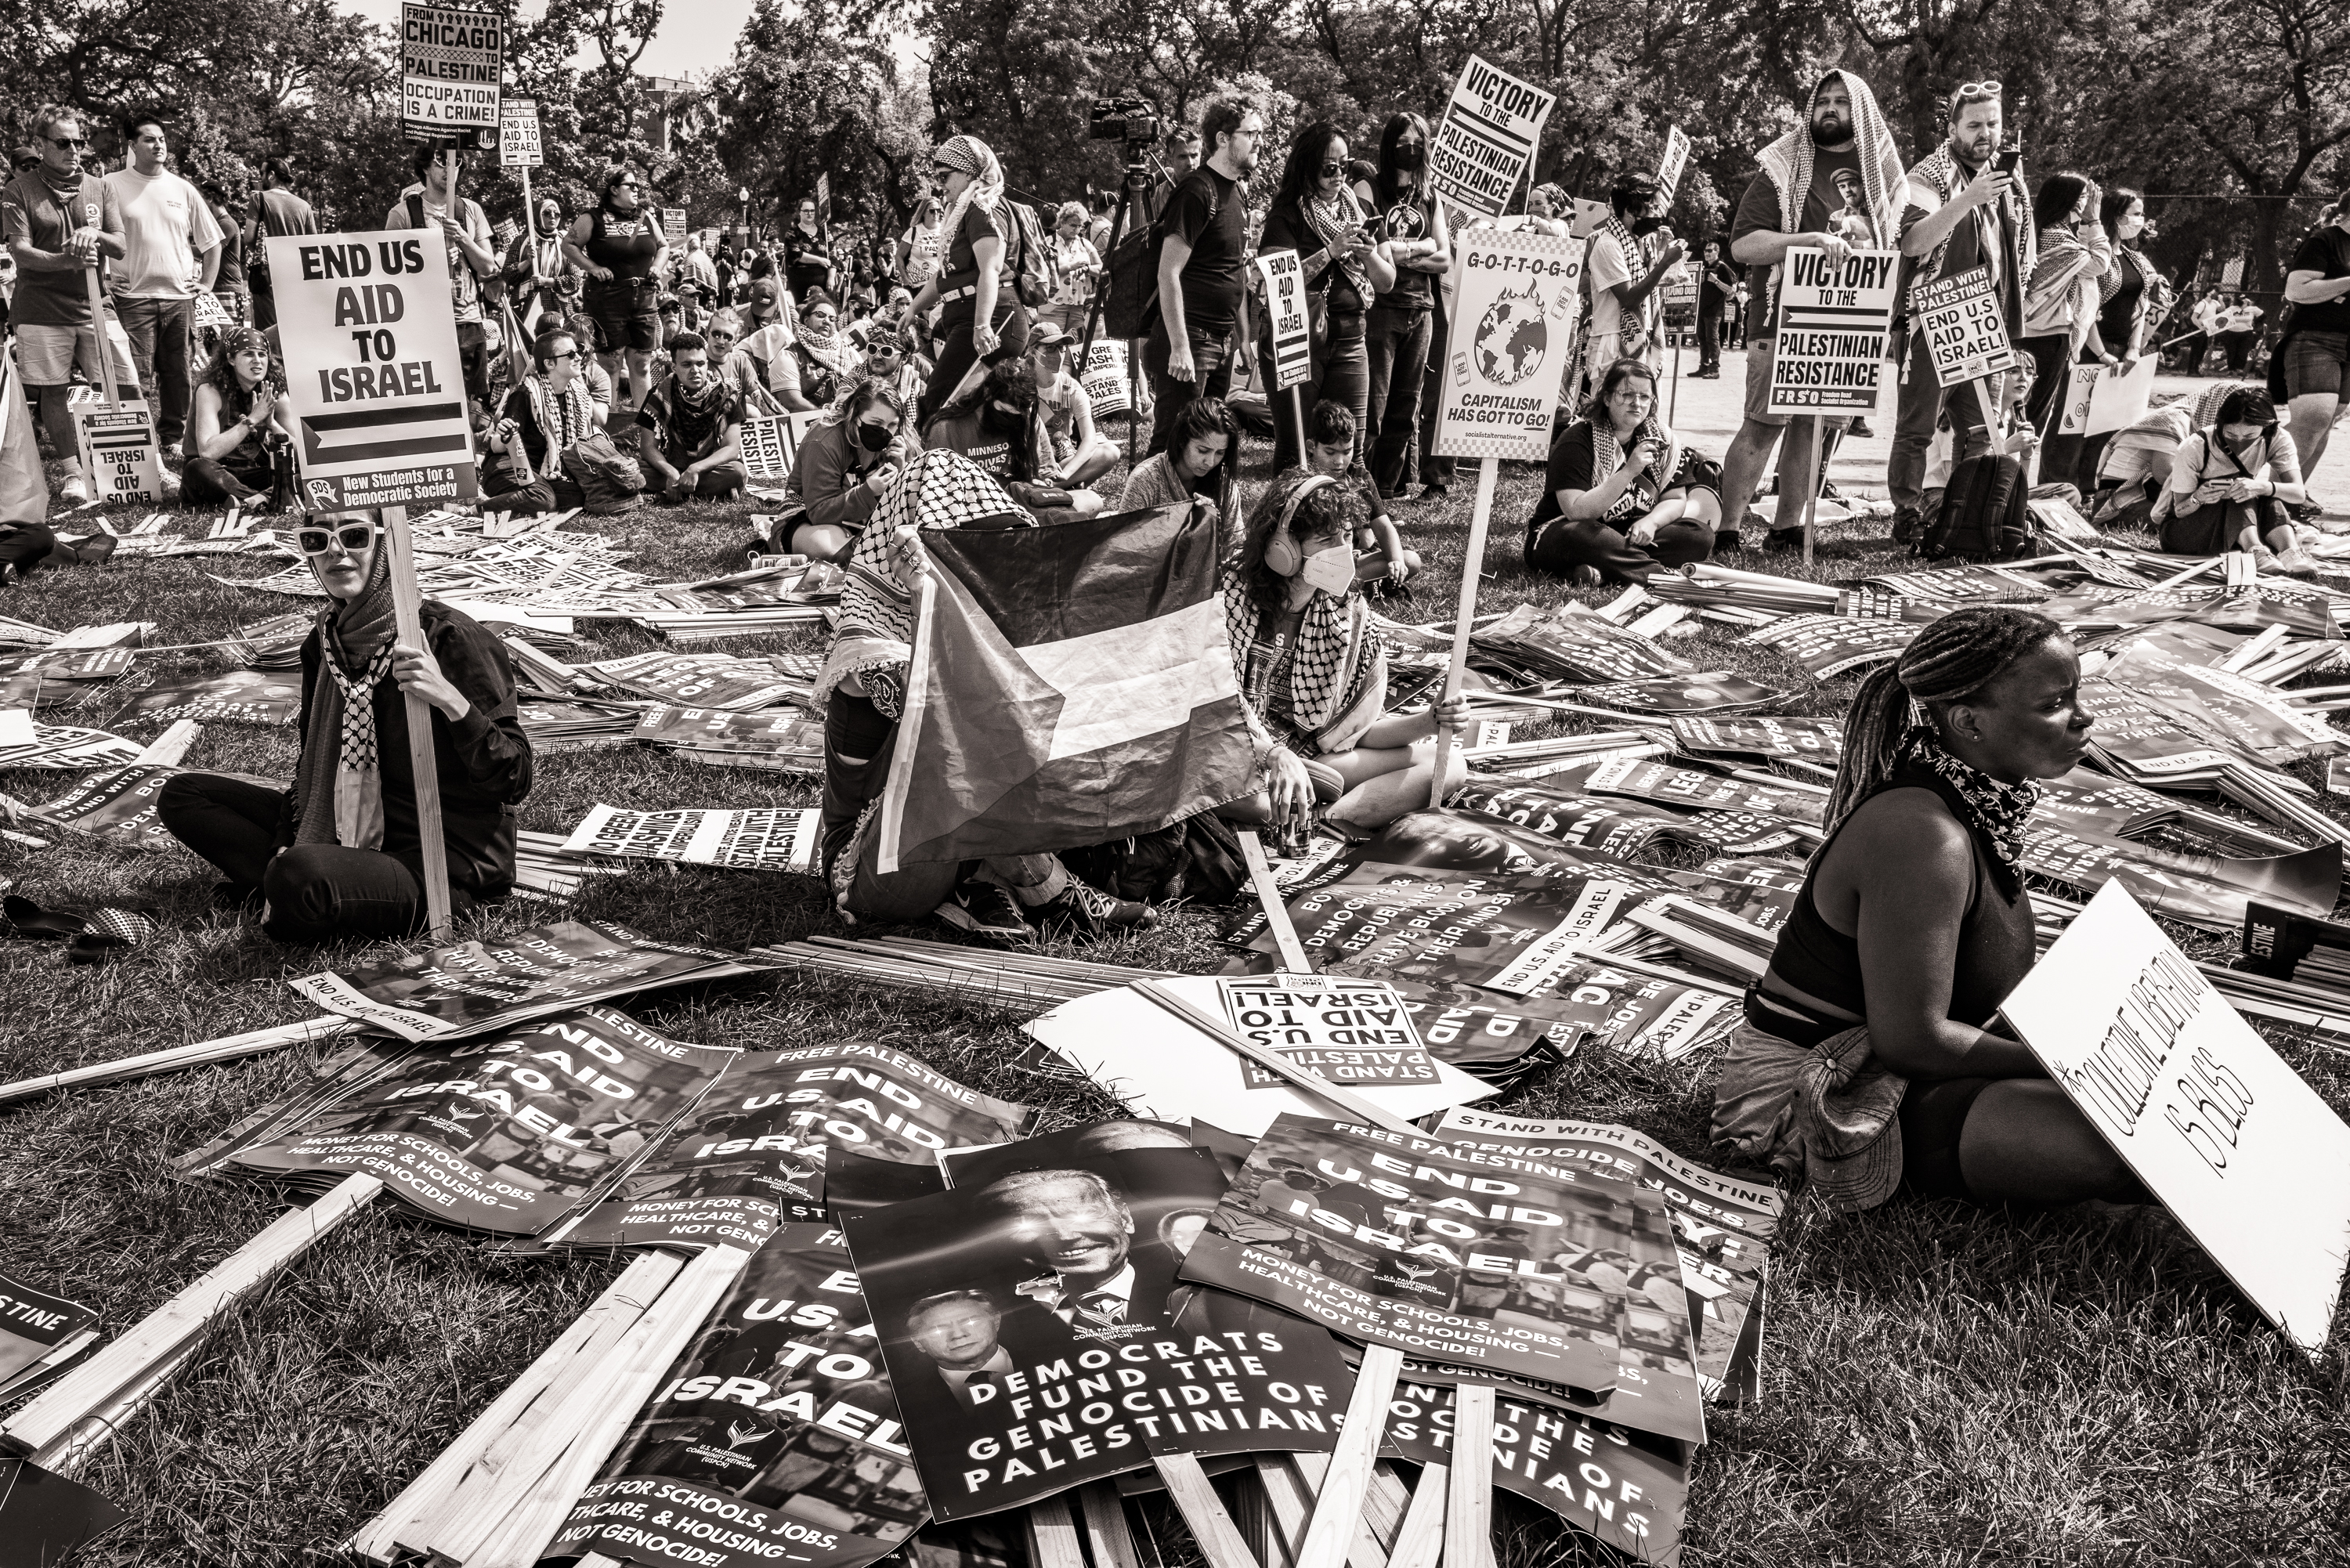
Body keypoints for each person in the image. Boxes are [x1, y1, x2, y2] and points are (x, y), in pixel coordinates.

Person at [1714, 607, 2151, 1212]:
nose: (2083, 717)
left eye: (2077, 694)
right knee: (2106, 1147)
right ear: (1969, 722)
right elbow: (1913, 1042)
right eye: (2054, 703)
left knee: (2137, 1126)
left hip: (1897, 1062)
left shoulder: (1976, 802)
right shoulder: (1923, 837)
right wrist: (2071, 1070)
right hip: (1816, 1088)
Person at [811, 450, 1157, 938]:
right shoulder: (863, 649)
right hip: (876, 864)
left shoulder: (972, 629)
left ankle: (980, 884)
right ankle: (1050, 891)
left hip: (942, 840)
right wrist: (922, 598)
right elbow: (934, 718)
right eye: (961, 550)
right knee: (964, 756)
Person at [157, 510, 533, 944]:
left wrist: (449, 699)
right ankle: (306, 885)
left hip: (438, 860)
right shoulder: (325, 644)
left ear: (387, 546)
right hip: (340, 824)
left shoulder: (449, 639)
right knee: (186, 795)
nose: (336, 551)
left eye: (354, 536)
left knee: (302, 874)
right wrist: (287, 839)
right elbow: (309, 771)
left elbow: (514, 778)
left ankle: (301, 888)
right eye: (317, 540)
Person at [1219, 469, 1472, 837]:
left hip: (1314, 759)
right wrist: (1272, 754)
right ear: (1282, 548)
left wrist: (1430, 722)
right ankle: (1290, 805)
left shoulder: (1350, 614)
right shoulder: (1227, 599)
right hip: (1240, 755)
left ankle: (1318, 819)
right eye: (1326, 539)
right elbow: (1207, 717)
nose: (1343, 550)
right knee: (1220, 788)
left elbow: (1356, 733)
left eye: (1348, 535)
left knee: (1448, 765)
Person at [1719, 70, 1906, 551]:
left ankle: (1785, 531)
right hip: (1780, 319)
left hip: (1850, 325)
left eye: (1841, 101)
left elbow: (1899, 244)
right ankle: (1726, 532)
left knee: (1815, 428)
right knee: (1763, 424)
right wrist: (1807, 241)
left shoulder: (1882, 173)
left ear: (1859, 109)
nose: (1829, 108)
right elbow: (1743, 246)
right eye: (1822, 100)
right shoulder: (1783, 165)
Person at [1891, 82, 2035, 537]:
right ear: (1953, 127)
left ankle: (1965, 513)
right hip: (1932, 315)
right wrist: (1969, 198)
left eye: (1993, 123)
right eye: (1974, 124)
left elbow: (2021, 250)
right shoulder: (1926, 175)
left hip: (1984, 319)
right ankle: (1908, 516)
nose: (1986, 133)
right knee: (1916, 429)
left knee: (1980, 431)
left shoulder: (2010, 179)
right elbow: (1913, 243)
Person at [2, 105, 133, 504]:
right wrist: (66, 260)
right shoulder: (18, 190)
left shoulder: (99, 186)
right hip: (41, 310)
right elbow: (20, 252)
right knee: (53, 392)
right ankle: (74, 472)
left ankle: (142, 461)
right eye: (63, 142)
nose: (74, 149)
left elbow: (121, 245)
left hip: (96, 305)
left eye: (79, 141)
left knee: (124, 383)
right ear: (40, 146)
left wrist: (92, 231)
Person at [1257, 120, 1394, 471]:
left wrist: (1366, 254)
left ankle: (1358, 525)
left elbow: (1387, 281)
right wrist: (1331, 251)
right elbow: (1279, 280)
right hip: (1298, 341)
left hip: (1350, 338)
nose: (1339, 175)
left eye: (1345, 166)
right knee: (1297, 449)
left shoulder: (1358, 212)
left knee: (1351, 449)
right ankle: (1289, 524)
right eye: (1329, 168)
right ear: (1308, 167)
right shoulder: (1286, 215)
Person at [1524, 358, 1716, 585]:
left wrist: (1652, 523)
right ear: (1606, 398)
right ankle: (1661, 576)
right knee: (1584, 538)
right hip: (1567, 529)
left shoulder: (1661, 438)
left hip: (1626, 532)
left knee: (1698, 535)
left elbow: (1675, 499)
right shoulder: (1577, 440)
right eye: (1626, 395)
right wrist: (1629, 471)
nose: (1637, 403)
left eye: (1644, 397)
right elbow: (1577, 511)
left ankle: (1599, 570)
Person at [1145, 98, 1261, 457]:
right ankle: (1147, 511)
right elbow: (1169, 272)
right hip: (1191, 339)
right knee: (1173, 444)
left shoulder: (1238, 192)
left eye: (1261, 133)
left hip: (1221, 341)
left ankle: (1198, 513)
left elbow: (1234, 272)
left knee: (1209, 444)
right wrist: (1180, 345)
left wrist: (1242, 339)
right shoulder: (1197, 190)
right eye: (1251, 133)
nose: (1259, 141)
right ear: (1223, 138)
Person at [104, 114, 222, 454]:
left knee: (177, 374)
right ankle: (137, 442)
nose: (159, 146)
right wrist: (104, 283)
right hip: (132, 297)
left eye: (162, 140)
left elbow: (212, 240)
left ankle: (172, 437)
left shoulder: (182, 188)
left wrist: (208, 283)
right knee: (135, 376)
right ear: (132, 145)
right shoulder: (110, 184)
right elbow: (99, 238)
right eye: (149, 140)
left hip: (179, 298)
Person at [1351, 113, 1448, 498]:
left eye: (1417, 142)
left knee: (1405, 408)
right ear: (1388, 145)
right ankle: (1360, 489)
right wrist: (1413, 249)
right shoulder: (1370, 187)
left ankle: (1387, 490)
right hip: (1379, 308)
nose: (1410, 149)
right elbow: (1367, 249)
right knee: (1372, 407)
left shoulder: (1430, 194)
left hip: (1420, 310)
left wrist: (1400, 249)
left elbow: (1443, 258)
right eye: (1402, 141)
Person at [910, 136, 1029, 423]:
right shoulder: (962, 209)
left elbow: (991, 268)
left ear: (968, 172)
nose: (940, 185)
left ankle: (921, 463)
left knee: (935, 402)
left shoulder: (982, 206)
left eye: (945, 176)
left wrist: (981, 324)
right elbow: (946, 276)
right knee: (991, 409)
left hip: (991, 317)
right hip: (967, 316)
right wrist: (912, 309)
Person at [2018, 172, 2116, 486]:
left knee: (2020, 411)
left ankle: (2011, 479)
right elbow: (2100, 263)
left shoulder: (2037, 231)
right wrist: (2095, 222)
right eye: (2085, 199)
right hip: (2047, 338)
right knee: (2032, 416)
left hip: (2027, 334)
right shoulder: (2059, 239)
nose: (2089, 205)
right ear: (2072, 203)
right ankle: (2014, 482)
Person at [385, 144, 497, 411]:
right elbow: (389, 274)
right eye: (441, 161)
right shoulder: (402, 214)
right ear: (425, 167)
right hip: (423, 324)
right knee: (431, 407)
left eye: (456, 161)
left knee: (472, 409)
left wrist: (463, 238)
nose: (450, 167)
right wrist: (431, 263)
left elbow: (488, 267)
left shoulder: (470, 210)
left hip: (467, 323)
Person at [923, 360, 1104, 521]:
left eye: (1019, 415)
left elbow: (1040, 476)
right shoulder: (947, 427)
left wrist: (1043, 482)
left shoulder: (1028, 420)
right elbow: (938, 492)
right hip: (975, 510)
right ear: (988, 394)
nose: (1012, 420)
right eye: (1004, 412)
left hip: (1022, 502)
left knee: (1092, 500)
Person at [2158, 385, 2313, 573]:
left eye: (2249, 435)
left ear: (2267, 426)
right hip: (2186, 530)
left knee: (2268, 494)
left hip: (2232, 528)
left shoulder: (2277, 438)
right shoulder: (2195, 446)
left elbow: (2298, 494)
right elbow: (2180, 510)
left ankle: (2290, 552)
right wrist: (2199, 497)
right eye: (2231, 434)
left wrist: (2263, 487)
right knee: (2238, 494)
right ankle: (2255, 551)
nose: (2240, 441)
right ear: (2220, 425)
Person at [2077, 186, 2167, 486]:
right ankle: (2061, 487)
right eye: (2137, 214)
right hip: (2090, 350)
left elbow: (2141, 308)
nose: (2143, 220)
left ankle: (2092, 488)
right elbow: (2086, 304)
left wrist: (2134, 349)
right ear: (2117, 218)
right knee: (2075, 427)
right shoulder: (2092, 253)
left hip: (2123, 352)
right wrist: (2101, 352)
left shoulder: (2137, 259)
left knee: (2108, 427)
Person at [565, 165, 668, 417]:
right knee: (610, 363)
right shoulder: (593, 218)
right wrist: (593, 267)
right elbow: (568, 244)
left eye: (637, 186)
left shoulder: (645, 217)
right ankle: (609, 425)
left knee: (642, 363)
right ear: (613, 189)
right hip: (607, 298)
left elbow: (663, 245)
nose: (636, 189)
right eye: (630, 185)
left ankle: (646, 428)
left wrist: (657, 266)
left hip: (644, 298)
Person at [782, 379, 920, 560]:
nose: (884, 431)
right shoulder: (823, 441)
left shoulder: (895, 444)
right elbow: (818, 513)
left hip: (861, 522)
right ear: (855, 416)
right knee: (829, 549)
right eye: (876, 422)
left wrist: (901, 470)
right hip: (804, 517)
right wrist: (868, 492)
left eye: (891, 425)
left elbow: (909, 507)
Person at [481, 327, 606, 515]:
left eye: (579, 351)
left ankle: (530, 496)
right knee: (543, 500)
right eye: (571, 354)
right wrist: (506, 435)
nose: (579, 357)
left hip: (544, 474)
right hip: (509, 467)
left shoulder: (579, 395)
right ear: (549, 364)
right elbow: (496, 446)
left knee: (584, 497)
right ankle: (475, 508)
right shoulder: (526, 393)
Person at [1583, 171, 1687, 395]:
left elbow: (1654, 290)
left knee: (1634, 418)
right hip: (1612, 344)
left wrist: (1660, 254)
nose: (1656, 214)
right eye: (1652, 207)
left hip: (1638, 338)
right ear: (1631, 210)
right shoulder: (1609, 245)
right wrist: (1665, 262)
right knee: (1611, 416)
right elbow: (1630, 299)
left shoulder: (1638, 244)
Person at [1303, 399, 1417, 587]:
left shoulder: (1359, 477)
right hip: (1311, 566)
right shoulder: (1301, 478)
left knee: (1410, 560)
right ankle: (1339, 587)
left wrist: (1396, 560)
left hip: (1350, 561)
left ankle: (1342, 587)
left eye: (1347, 451)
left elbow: (1383, 526)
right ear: (1311, 446)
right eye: (1330, 452)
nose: (1339, 462)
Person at [2281, 192, 2350, 503]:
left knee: (2325, 423)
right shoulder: (2324, 240)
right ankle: (2271, 500)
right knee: (2314, 418)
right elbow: (2296, 290)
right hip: (2316, 338)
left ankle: (2292, 500)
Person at [181, 325, 292, 507]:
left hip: (253, 469)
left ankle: (253, 500)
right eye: (248, 354)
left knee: (304, 468)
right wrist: (253, 419)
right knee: (198, 469)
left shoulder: (274, 389)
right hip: (218, 471)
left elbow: (300, 451)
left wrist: (272, 424)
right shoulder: (210, 390)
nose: (257, 361)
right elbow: (208, 452)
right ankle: (269, 498)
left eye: (262, 355)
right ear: (231, 359)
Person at [634, 331, 747, 502]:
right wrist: (670, 471)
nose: (695, 370)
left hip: (707, 469)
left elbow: (731, 449)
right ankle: (706, 492)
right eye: (687, 365)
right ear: (674, 367)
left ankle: (671, 492)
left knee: (738, 471)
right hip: (669, 467)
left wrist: (696, 469)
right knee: (630, 468)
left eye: (700, 364)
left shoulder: (726, 395)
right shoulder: (658, 394)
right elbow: (647, 448)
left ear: (707, 365)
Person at [1118, 394, 1235, 526]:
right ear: (1182, 441)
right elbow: (1124, 540)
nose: (1210, 462)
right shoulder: (1146, 478)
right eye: (1203, 450)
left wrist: (1213, 521)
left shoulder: (1224, 482)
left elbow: (1235, 542)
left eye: (1220, 453)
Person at [1026, 323, 1118, 487]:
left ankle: (1053, 486)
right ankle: (1061, 487)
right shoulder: (1019, 382)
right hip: (1028, 458)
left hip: (1061, 459)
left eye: (1062, 348)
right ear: (1033, 351)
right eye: (1050, 348)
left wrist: (1067, 474)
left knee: (1110, 453)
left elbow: (1090, 439)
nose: (1059, 354)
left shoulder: (1071, 388)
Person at [246, 158, 314, 334]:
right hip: (296, 276)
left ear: (272, 175)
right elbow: (313, 245)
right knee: (293, 329)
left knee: (267, 332)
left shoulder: (258, 198)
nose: (260, 177)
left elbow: (248, 238)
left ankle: (272, 361)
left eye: (262, 173)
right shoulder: (304, 206)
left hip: (267, 275)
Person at [778, 294, 862, 412]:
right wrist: (828, 417)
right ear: (806, 320)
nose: (827, 321)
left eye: (832, 319)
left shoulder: (850, 353)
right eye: (820, 315)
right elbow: (792, 402)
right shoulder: (789, 355)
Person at [505, 195, 579, 328]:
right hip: (526, 306)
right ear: (538, 216)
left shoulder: (566, 244)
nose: (552, 216)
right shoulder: (522, 241)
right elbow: (507, 276)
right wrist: (527, 262)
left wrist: (547, 282)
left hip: (558, 308)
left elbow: (575, 281)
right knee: (528, 346)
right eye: (547, 213)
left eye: (557, 214)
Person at [1040, 201, 1101, 338]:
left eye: (1080, 226)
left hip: (1079, 306)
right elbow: (1044, 272)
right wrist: (1071, 267)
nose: (1077, 229)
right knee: (1051, 343)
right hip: (1053, 305)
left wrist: (1087, 269)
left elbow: (1101, 268)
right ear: (1062, 222)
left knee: (1075, 349)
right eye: (1073, 225)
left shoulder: (1085, 243)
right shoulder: (1048, 243)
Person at [1694, 240, 1737, 378]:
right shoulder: (1703, 266)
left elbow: (1731, 290)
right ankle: (1704, 366)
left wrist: (1716, 281)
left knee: (1712, 338)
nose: (1706, 253)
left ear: (1717, 252)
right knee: (1702, 337)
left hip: (1715, 309)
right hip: (1701, 308)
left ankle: (1714, 369)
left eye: (1709, 250)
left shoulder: (1722, 267)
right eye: (1705, 250)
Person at [204, 186, 247, 326]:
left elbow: (208, 250)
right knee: (214, 340)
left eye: (200, 199)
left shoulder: (226, 224)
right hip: (216, 287)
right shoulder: (217, 224)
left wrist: (179, 246)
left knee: (229, 337)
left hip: (227, 288)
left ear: (209, 198)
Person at [784, 196, 836, 302]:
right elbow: (796, 254)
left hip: (823, 282)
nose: (810, 213)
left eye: (812, 211)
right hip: (800, 282)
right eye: (806, 210)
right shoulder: (792, 233)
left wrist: (831, 278)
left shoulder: (824, 232)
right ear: (800, 212)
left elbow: (833, 257)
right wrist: (819, 260)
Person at [896, 194, 944, 292]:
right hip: (918, 285)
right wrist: (905, 278)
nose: (936, 213)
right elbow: (899, 256)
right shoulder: (914, 231)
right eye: (932, 210)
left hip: (939, 283)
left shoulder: (945, 230)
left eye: (938, 210)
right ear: (923, 213)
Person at [2218, 294, 2264, 373]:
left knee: (2243, 351)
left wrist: (2255, 323)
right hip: (2232, 332)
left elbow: (2263, 316)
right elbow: (2222, 315)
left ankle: (2240, 369)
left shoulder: (2253, 309)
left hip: (2246, 333)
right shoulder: (2233, 308)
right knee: (2231, 351)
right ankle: (2231, 369)